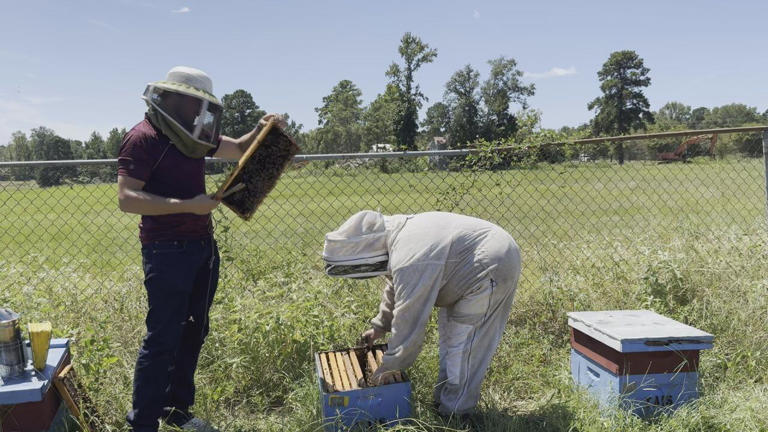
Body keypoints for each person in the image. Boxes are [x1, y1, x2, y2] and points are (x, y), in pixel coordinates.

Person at [117, 66, 284, 432]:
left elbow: (239, 149)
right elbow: (127, 199)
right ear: (171, 97)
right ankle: (143, 423)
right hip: (165, 251)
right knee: (162, 336)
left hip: (202, 247)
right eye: (194, 102)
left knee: (194, 329)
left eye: (202, 104)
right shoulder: (142, 138)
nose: (198, 110)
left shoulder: (193, 133)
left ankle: (177, 410)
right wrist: (188, 204)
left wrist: (262, 128)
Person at [322, 210, 522, 417]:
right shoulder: (396, 238)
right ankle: (443, 402)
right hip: (466, 265)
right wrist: (380, 326)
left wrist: (390, 366)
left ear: (363, 249)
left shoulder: (411, 256)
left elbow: (410, 319)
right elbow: (397, 287)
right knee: (451, 342)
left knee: (463, 346)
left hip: (489, 265)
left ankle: (457, 415)